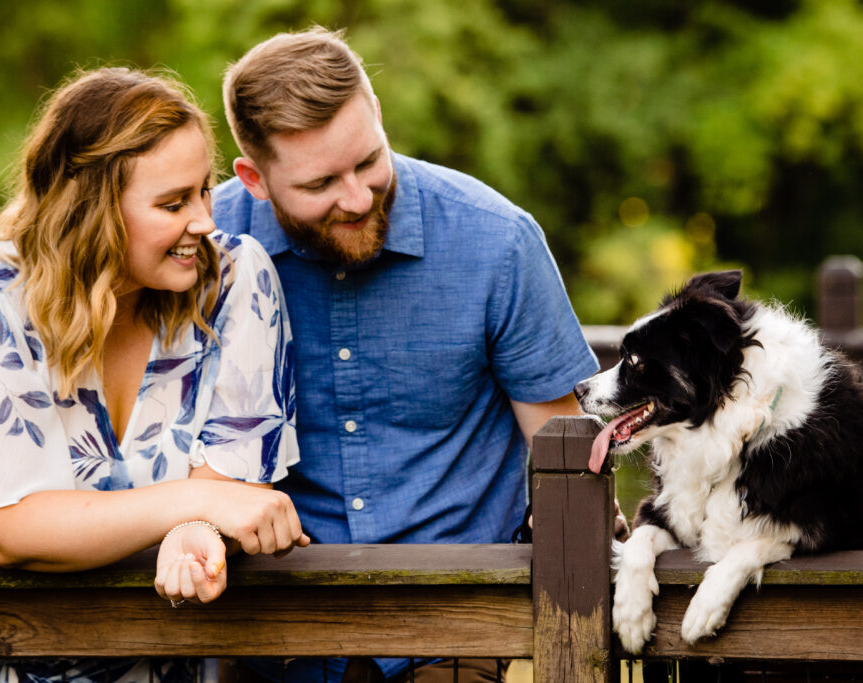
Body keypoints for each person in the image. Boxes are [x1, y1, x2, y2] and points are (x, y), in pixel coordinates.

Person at [214, 27, 608, 682]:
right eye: (321, 183)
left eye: (370, 160)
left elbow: (563, 449)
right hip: (266, 625)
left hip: (451, 628)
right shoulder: (207, 249)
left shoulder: (497, 241)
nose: (359, 197)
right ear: (255, 178)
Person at [0, 66, 309, 683]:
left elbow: (233, 480)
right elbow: (6, 529)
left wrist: (197, 527)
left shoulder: (235, 279)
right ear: (91, 210)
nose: (204, 220)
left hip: (162, 657)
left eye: (204, 191)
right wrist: (198, 502)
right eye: (172, 203)